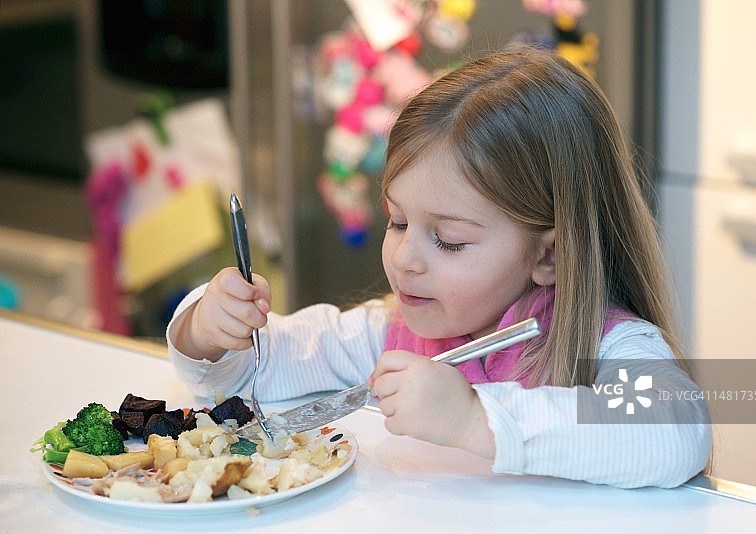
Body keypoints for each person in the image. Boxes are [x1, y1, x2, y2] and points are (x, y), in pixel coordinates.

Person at [167, 48, 711, 489]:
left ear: (550, 254)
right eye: (398, 222)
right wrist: (211, 330)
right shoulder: (392, 337)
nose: (404, 259)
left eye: (448, 240)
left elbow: (676, 430)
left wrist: (472, 418)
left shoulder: (608, 347)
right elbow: (262, 371)